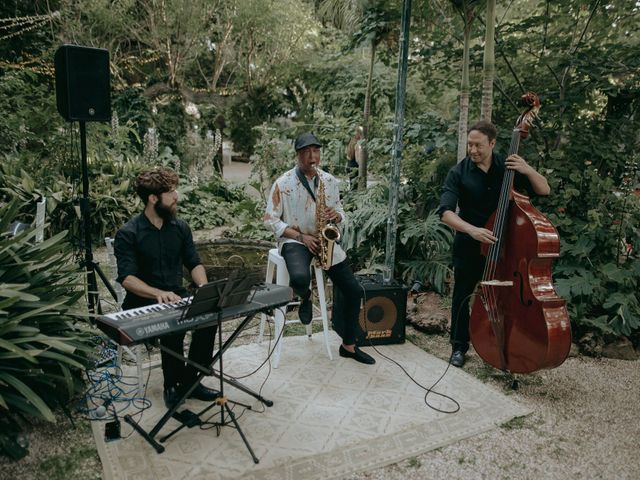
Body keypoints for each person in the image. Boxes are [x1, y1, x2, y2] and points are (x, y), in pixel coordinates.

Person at [438, 120, 551, 368]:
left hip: (507, 247)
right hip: (470, 244)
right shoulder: (458, 172)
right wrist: (472, 230)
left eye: (478, 145)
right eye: (470, 145)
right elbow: (445, 212)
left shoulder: (509, 166)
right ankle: (459, 346)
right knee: (462, 295)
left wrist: (528, 169)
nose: (473, 150)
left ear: (492, 143)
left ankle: (508, 342)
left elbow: (544, 190)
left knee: (508, 296)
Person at [264, 132, 375, 365]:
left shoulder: (329, 181)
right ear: (298, 155)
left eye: (315, 152)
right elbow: (270, 220)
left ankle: (349, 345)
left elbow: (341, 213)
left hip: (325, 239)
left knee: (353, 290)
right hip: (295, 240)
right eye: (306, 152)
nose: (312, 157)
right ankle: (305, 297)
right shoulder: (282, 183)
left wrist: (337, 216)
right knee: (300, 277)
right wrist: (301, 237)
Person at [114, 167, 220, 408]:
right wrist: (158, 293)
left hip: (176, 296)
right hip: (143, 301)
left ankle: (192, 381)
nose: (177, 196)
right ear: (153, 198)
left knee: (210, 317)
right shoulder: (128, 233)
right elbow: (127, 278)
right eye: (171, 192)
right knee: (172, 325)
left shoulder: (180, 228)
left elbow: (193, 263)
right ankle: (172, 386)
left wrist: (203, 287)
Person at [345, 126, 364, 190]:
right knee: (355, 188)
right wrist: (362, 167)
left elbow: (347, 154)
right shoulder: (358, 144)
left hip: (349, 165)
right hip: (355, 168)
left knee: (352, 186)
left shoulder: (352, 141)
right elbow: (357, 159)